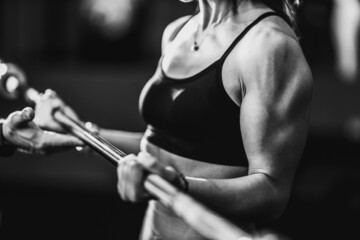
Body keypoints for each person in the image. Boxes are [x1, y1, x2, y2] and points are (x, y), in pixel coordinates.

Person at [35, 0, 313, 239]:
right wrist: (76, 133)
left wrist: (177, 184)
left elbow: (271, 191)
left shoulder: (269, 46)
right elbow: (156, 148)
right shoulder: (178, 31)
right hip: (151, 230)